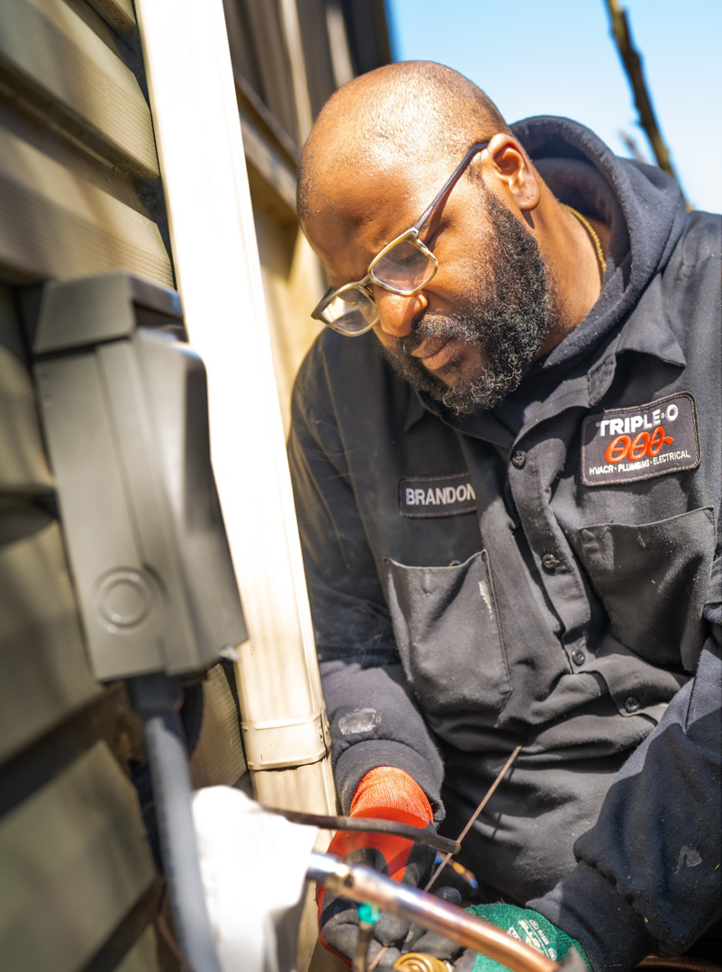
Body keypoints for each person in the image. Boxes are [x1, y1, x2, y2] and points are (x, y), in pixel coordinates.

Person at [287, 61, 721, 972]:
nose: (397, 317)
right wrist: (386, 788)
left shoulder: (710, 316)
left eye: (405, 255)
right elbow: (352, 640)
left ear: (511, 174)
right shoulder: (341, 394)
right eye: (361, 295)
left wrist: (585, 924)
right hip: (474, 910)